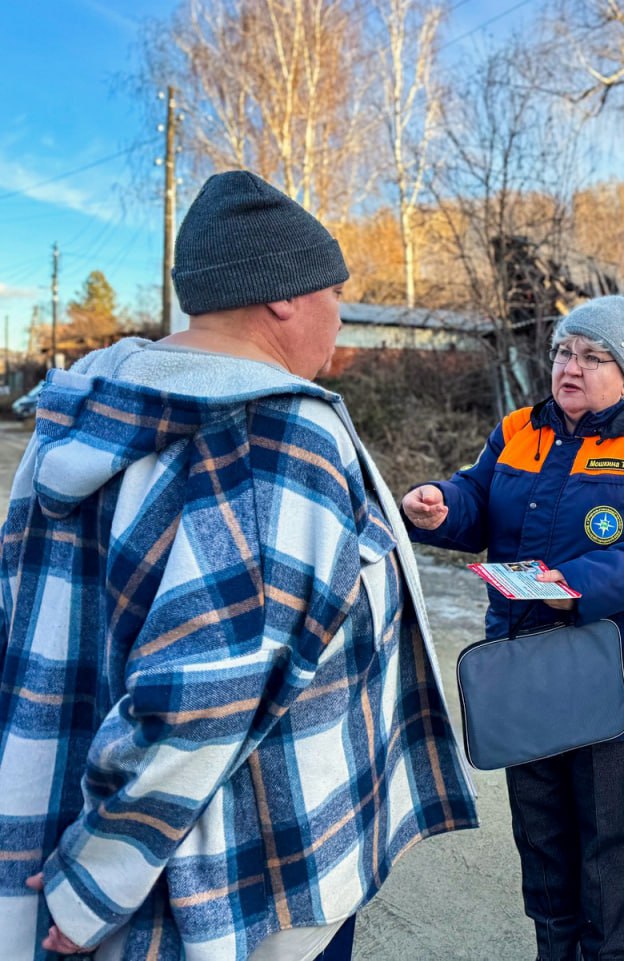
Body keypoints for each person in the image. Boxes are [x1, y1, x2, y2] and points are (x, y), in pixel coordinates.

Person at [0, 170, 477, 961]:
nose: (340, 322)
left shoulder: (89, 410)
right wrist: (98, 880)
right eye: (337, 297)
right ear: (284, 295)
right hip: (240, 889)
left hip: (74, 825)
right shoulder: (277, 438)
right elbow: (197, 699)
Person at [401, 295, 624, 961]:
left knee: (610, 838)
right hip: (525, 668)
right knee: (541, 831)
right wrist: (440, 507)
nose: (570, 368)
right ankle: (554, 947)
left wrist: (583, 587)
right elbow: (477, 499)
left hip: (614, 681)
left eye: (592, 356)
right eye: (563, 352)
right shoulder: (519, 428)